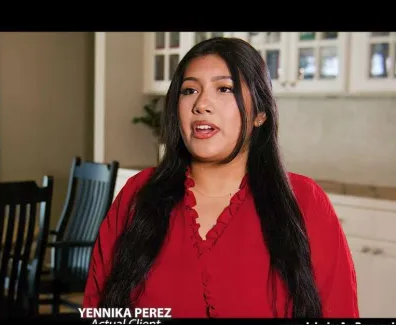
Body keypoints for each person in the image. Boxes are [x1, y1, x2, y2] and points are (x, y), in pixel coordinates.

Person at [82, 37, 359, 318]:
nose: (201, 104)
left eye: (224, 88)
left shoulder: (304, 200)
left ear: (260, 113)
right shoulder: (137, 193)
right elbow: (98, 306)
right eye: (189, 90)